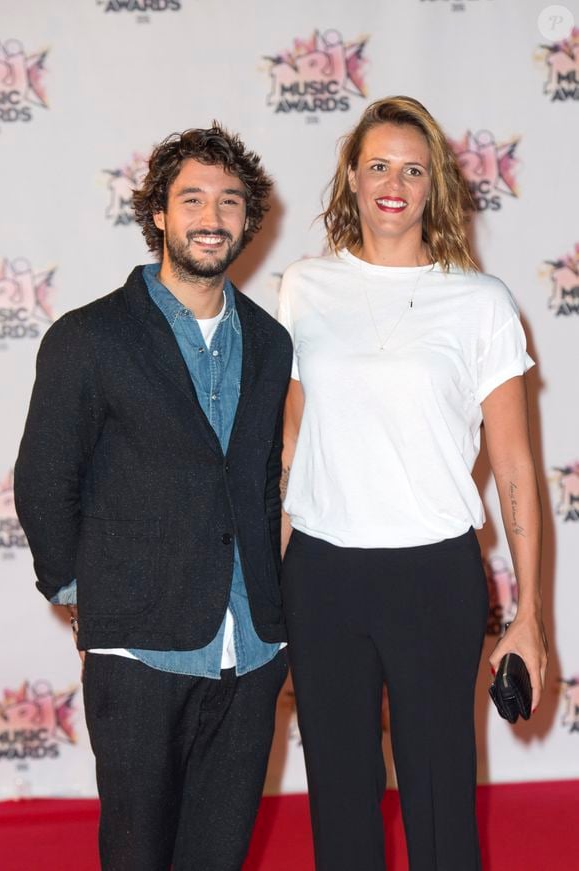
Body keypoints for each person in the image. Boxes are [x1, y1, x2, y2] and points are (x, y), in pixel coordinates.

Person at [278, 96, 548, 871]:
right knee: (339, 792)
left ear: (436, 186)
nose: (393, 182)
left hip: (433, 573)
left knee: (439, 794)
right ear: (352, 180)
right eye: (378, 166)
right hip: (322, 573)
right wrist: (267, 580)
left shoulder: (482, 303)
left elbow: (516, 467)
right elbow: (291, 444)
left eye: (413, 168)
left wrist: (528, 615)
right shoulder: (303, 287)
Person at [15, 124, 292, 871]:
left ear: (248, 217)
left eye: (230, 200)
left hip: (253, 648)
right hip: (137, 651)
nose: (213, 216)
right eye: (193, 198)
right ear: (159, 215)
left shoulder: (271, 343)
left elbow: (263, 483)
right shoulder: (89, 336)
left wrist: (277, 610)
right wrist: (89, 598)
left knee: (218, 856)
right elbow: (43, 479)